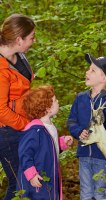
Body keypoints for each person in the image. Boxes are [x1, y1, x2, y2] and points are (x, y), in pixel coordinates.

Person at [67, 53, 106, 200]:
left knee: (100, 191)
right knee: (86, 192)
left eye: (93, 70)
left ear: (104, 78)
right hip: (84, 153)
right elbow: (71, 120)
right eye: (89, 69)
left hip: (102, 154)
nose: (87, 72)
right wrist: (78, 131)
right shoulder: (81, 98)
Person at [0, 13, 35, 199]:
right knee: (18, 184)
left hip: (22, 125)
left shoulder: (19, 55)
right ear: (19, 39)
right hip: (6, 132)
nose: (33, 41)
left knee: (26, 180)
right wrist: (26, 125)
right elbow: (0, 111)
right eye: (31, 37)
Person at [17, 86, 73, 199]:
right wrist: (31, 174)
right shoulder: (34, 130)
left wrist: (62, 143)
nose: (58, 102)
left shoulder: (48, 127)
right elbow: (24, 153)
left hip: (50, 174)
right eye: (55, 100)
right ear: (48, 108)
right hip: (38, 177)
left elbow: (48, 147)